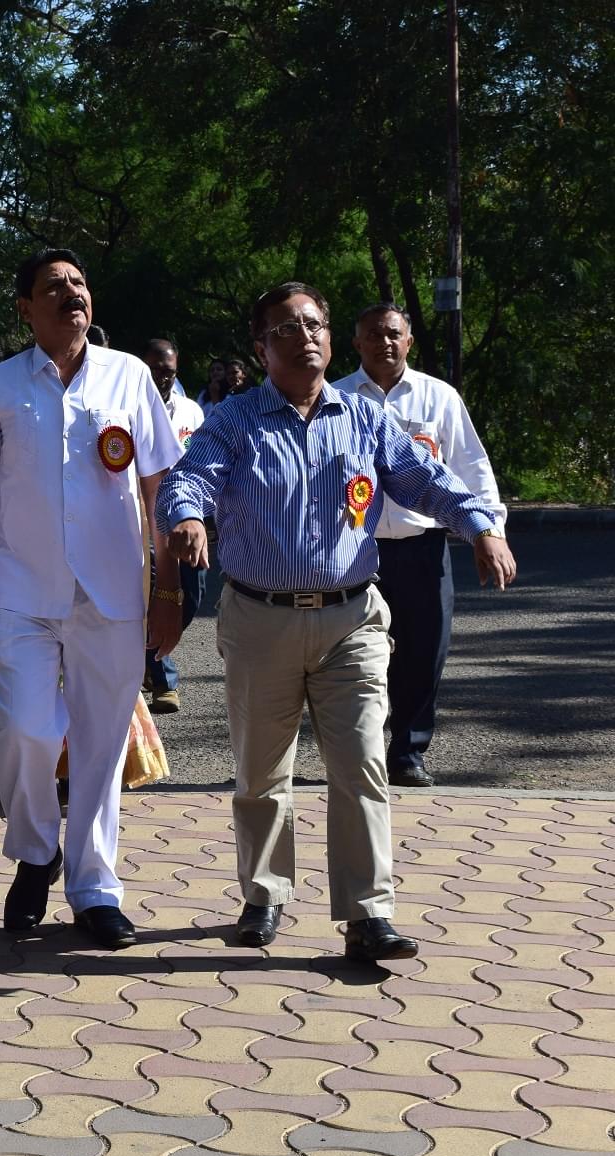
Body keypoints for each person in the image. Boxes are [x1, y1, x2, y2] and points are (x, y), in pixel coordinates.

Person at [158, 281, 515, 962]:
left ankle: (367, 912)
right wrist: (187, 517)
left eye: (316, 323)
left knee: (362, 765)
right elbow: (189, 479)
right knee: (261, 774)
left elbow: (425, 479)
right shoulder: (232, 421)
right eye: (288, 327)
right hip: (260, 620)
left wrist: (479, 526)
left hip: (351, 619)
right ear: (263, 347)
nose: (308, 335)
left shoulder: (363, 417)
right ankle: (264, 894)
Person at [0, 248, 183, 952]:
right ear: (26, 308)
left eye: (79, 284)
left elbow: (158, 487)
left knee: (102, 746)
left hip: (110, 590)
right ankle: (35, 852)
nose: (71, 295)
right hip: (22, 588)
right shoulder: (0, 385)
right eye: (54, 288)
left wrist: (167, 587)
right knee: (26, 730)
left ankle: (94, 887)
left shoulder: (130, 376)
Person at [335, 304, 506, 789]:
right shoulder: (336, 398)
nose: (384, 343)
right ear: (356, 343)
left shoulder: (439, 398)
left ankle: (408, 752)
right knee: (353, 654)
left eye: (393, 334)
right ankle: (361, 751)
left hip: (424, 546)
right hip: (354, 550)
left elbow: (472, 467)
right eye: (373, 335)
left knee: (424, 652)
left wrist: (488, 532)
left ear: (408, 341)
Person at [140, 338, 206, 715]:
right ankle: (164, 677)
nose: (162, 377)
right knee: (152, 595)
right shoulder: (130, 408)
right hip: (146, 519)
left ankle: (153, 657)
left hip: (186, 518)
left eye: (169, 371)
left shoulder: (192, 411)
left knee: (191, 595)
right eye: (155, 370)